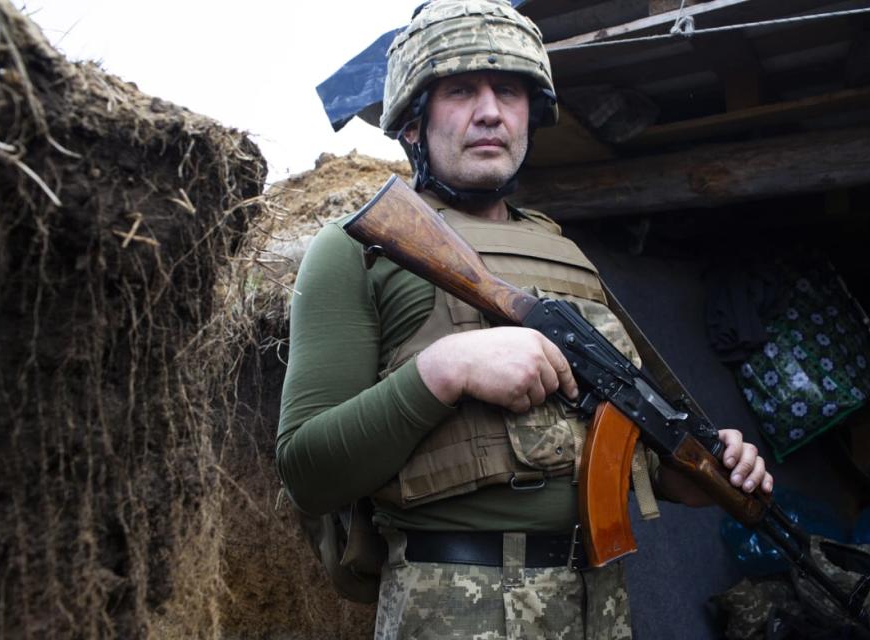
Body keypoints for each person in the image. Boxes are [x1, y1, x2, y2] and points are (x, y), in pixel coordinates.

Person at [276, 1, 773, 637]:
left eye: (508, 90)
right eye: (459, 90)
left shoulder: (568, 256)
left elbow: (618, 436)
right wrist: (444, 370)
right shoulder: (356, 249)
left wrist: (705, 475)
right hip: (453, 607)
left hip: (604, 605)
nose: (490, 110)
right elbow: (307, 472)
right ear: (410, 123)